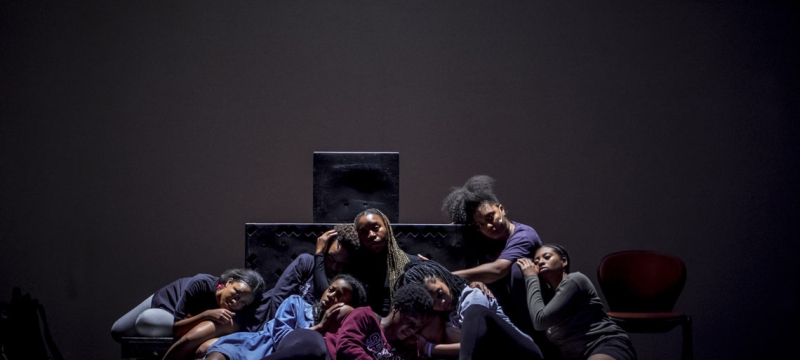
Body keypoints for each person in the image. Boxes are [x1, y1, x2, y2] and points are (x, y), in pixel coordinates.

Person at [394, 261, 543, 360]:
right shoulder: (444, 313)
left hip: (520, 352)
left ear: (444, 279)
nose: (442, 302)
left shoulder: (473, 296)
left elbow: (473, 344)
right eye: (433, 302)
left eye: (440, 293)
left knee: (475, 310)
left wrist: (429, 348)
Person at [110, 269, 267, 360]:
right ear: (229, 282)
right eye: (236, 293)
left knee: (147, 323)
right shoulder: (201, 283)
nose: (236, 302)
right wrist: (206, 314)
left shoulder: (234, 311)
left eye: (243, 303)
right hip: (165, 304)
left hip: (172, 319)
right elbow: (178, 330)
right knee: (117, 332)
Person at [204, 274, 368, 360]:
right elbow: (280, 337)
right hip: (254, 346)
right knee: (219, 355)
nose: (331, 296)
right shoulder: (296, 303)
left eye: (340, 296)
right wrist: (318, 327)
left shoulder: (339, 334)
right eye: (331, 289)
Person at [517, 245, 637, 360]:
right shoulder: (547, 298)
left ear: (564, 261)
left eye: (547, 257)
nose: (540, 262)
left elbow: (540, 321)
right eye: (536, 261)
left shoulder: (575, 280)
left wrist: (531, 277)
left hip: (604, 345)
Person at [259, 283, 434, 360]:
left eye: (417, 328)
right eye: (410, 323)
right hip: (321, 350)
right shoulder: (365, 316)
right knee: (315, 348)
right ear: (396, 309)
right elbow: (346, 345)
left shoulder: (408, 349)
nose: (412, 331)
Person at [350, 208, 422, 316]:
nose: (371, 235)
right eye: (364, 231)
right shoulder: (354, 268)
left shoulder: (411, 264)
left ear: (387, 227)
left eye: (376, 228)